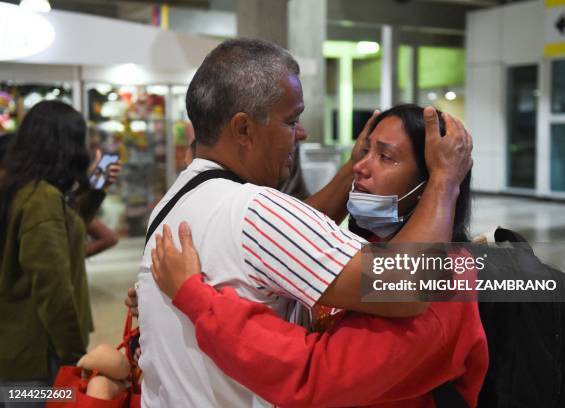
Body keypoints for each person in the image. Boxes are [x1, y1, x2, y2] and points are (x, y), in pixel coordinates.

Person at [136, 39, 472, 408]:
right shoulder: (256, 211)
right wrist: (445, 180)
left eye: (385, 156)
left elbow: (288, 235)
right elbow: (405, 285)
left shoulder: (174, 201)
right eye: (291, 120)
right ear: (244, 129)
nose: (302, 133)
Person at [0, 101, 105, 403]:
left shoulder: (21, 190)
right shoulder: (41, 199)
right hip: (37, 360)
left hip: (18, 354)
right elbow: (53, 289)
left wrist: (95, 189)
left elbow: (67, 231)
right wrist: (75, 357)